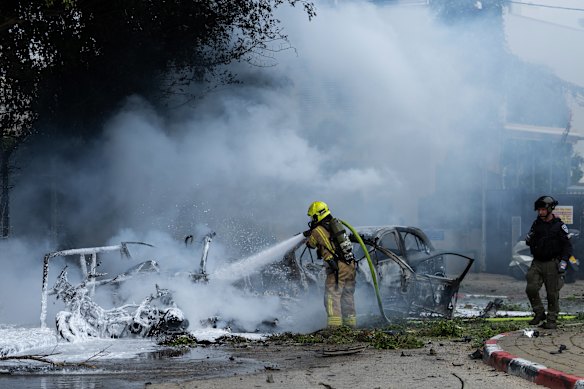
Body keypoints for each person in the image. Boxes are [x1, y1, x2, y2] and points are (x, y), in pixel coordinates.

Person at [303, 201, 357, 328]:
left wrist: (309, 234)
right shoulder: (336, 225)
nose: (312, 219)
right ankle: (351, 327)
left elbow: (310, 244)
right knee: (347, 296)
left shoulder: (318, 230)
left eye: (313, 217)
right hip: (350, 265)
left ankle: (335, 329)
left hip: (337, 268)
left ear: (317, 215)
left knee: (332, 297)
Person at [525, 195, 573, 329]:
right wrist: (529, 239)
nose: (540, 212)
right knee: (531, 288)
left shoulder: (559, 226)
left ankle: (551, 319)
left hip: (552, 263)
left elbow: (567, 246)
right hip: (537, 262)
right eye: (539, 210)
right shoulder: (536, 224)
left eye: (543, 210)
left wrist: (563, 262)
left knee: (552, 293)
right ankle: (539, 313)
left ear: (550, 209)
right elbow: (530, 239)